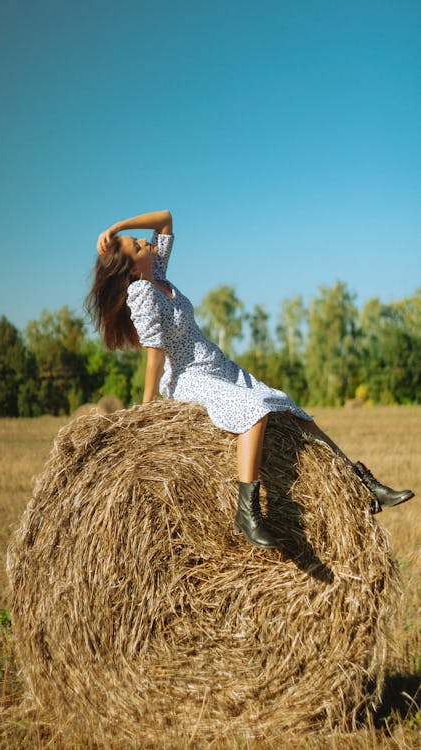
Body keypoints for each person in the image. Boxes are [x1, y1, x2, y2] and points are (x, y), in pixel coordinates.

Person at [86, 210, 415, 549]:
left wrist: (116, 227)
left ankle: (361, 482)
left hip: (219, 366)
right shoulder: (143, 293)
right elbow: (155, 353)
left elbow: (166, 219)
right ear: (131, 269)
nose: (145, 241)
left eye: (140, 239)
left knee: (294, 411)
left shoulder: (159, 273)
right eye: (136, 245)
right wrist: (147, 408)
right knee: (255, 409)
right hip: (189, 377)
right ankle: (247, 513)